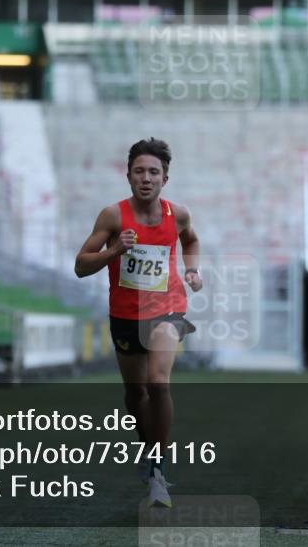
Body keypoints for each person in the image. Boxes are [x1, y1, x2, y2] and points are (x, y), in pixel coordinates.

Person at [74, 138, 202, 508]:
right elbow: (81, 266)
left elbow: (191, 241)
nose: (146, 178)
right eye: (139, 171)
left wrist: (192, 270)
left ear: (165, 178)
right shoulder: (112, 216)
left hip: (167, 308)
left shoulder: (177, 215)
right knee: (135, 394)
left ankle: (158, 469)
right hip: (126, 315)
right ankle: (149, 449)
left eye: (154, 172)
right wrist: (114, 250)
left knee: (157, 382)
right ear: (128, 175)